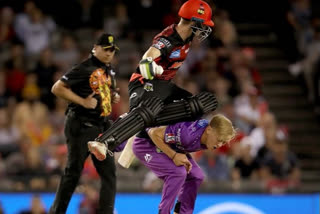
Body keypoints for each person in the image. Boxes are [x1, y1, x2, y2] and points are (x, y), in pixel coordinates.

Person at [88, 0, 218, 160]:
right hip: (145, 82)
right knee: (151, 107)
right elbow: (150, 53)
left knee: (203, 103)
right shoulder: (170, 38)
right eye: (203, 24)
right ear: (194, 21)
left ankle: (142, 127)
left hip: (164, 86)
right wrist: (148, 62)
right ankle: (104, 142)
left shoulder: (188, 37)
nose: (205, 29)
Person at [49, 33, 120, 214]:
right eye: (106, 49)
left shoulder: (108, 69)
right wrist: (83, 102)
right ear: (95, 48)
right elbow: (57, 88)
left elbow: (105, 91)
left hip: (101, 128)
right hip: (81, 125)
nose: (109, 53)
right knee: (73, 173)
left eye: (112, 50)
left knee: (109, 174)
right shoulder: (84, 68)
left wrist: (113, 96)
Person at [132, 114, 236, 214]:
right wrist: (174, 155)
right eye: (219, 140)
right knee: (178, 173)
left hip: (171, 145)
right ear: (209, 130)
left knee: (197, 176)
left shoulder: (206, 135)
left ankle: (182, 212)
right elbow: (153, 133)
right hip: (145, 145)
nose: (219, 145)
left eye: (223, 142)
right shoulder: (187, 135)